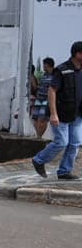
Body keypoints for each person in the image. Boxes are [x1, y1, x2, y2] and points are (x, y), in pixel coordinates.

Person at [31, 41, 82, 180]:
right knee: (61, 142)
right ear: (78, 54)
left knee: (75, 143)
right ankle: (39, 160)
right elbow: (52, 91)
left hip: (77, 115)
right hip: (60, 114)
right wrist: (53, 114)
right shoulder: (62, 70)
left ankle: (64, 171)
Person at [32, 58, 55, 138]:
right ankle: (38, 135)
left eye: (44, 64)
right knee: (35, 117)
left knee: (42, 119)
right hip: (39, 99)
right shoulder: (44, 75)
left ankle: (39, 136)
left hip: (46, 101)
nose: (43, 66)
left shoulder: (55, 75)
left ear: (47, 65)